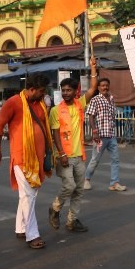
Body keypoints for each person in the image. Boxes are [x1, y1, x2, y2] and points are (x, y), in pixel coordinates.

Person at [0, 74, 53, 250]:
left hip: (37, 157)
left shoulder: (39, 104)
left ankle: (21, 227)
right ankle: (32, 234)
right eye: (41, 91)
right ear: (31, 89)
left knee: (26, 195)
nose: (43, 95)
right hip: (21, 155)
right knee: (28, 195)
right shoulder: (13, 102)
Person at [48, 57, 99, 233]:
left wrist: (93, 68)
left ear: (75, 91)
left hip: (79, 156)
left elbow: (93, 88)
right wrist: (61, 154)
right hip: (65, 156)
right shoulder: (55, 110)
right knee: (69, 186)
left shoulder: (79, 104)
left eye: (69, 90)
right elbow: (55, 133)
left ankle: (72, 220)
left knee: (78, 190)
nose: (66, 93)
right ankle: (55, 208)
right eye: (63, 90)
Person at [83, 77, 125, 192]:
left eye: (106, 85)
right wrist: (94, 131)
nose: (105, 87)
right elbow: (91, 115)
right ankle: (86, 180)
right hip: (100, 136)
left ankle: (114, 183)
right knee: (95, 160)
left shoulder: (111, 99)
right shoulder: (95, 99)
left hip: (111, 135)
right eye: (102, 85)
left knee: (115, 160)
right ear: (98, 88)